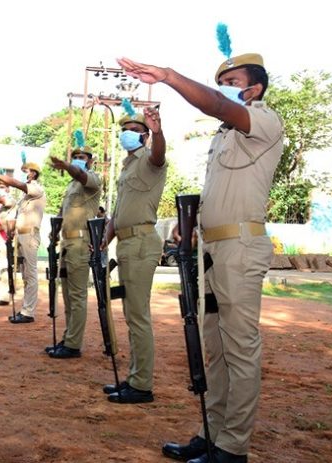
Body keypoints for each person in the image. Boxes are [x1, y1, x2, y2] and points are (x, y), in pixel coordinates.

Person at [118, 52, 283, 462]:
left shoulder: (263, 121)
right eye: (220, 79)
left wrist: (170, 76)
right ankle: (212, 433)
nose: (223, 86)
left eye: (231, 80)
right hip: (212, 248)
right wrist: (191, 226)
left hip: (241, 248)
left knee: (240, 347)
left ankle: (233, 446)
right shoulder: (223, 136)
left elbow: (217, 103)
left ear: (253, 88)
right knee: (214, 346)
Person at [98, 106, 167, 398]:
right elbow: (117, 212)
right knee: (131, 314)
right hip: (125, 243)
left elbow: (159, 154)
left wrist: (159, 131)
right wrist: (104, 239)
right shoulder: (126, 167)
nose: (128, 133)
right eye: (124, 129)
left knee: (138, 315)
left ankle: (142, 385)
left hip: (141, 242)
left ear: (145, 136)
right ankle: (135, 377)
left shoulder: (150, 160)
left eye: (135, 130)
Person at [46, 145, 103, 358]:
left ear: (90, 161)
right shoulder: (71, 186)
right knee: (68, 296)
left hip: (80, 242)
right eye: (75, 157)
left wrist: (69, 166)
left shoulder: (93, 180)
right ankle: (69, 337)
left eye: (82, 157)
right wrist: (54, 233)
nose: (79, 160)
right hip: (66, 243)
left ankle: (73, 344)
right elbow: (63, 211)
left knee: (78, 296)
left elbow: (79, 174)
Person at [0, 162, 46, 324]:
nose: (26, 173)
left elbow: (17, 184)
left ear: (34, 174)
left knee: (30, 275)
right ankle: (25, 309)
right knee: (24, 275)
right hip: (21, 235)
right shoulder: (25, 197)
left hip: (30, 236)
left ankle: (28, 312)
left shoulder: (36, 189)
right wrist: (11, 231)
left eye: (28, 171)